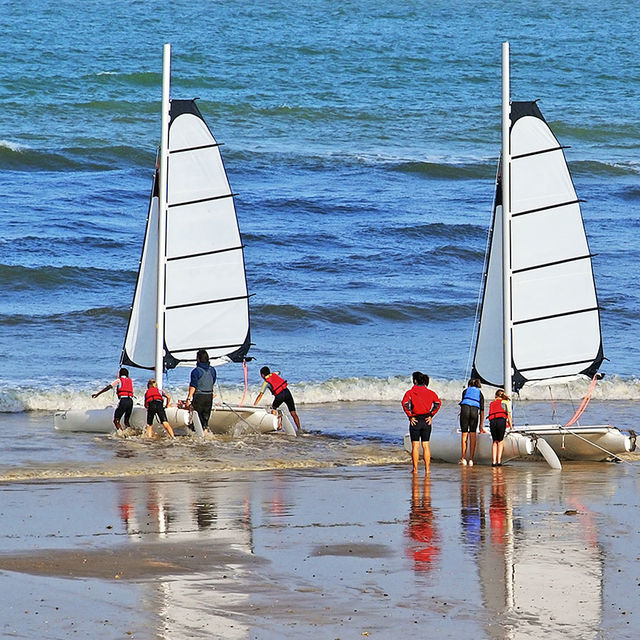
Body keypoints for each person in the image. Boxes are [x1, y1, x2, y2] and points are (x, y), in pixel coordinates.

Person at [402, 372, 441, 474]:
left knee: (415, 446)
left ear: (415, 381)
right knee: (426, 445)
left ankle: (415, 470)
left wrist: (410, 416)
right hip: (426, 421)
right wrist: (431, 415)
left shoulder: (410, 392)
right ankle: (427, 469)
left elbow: (405, 404)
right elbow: (437, 403)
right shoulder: (431, 393)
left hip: (415, 420)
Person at [254, 366, 301, 432]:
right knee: (293, 413)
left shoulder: (266, 383)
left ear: (262, 375)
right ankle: (299, 429)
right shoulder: (274, 374)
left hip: (280, 396)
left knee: (273, 408)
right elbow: (278, 372)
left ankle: (276, 426)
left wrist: (254, 405)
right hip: (287, 392)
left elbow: (260, 395)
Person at [185, 349, 216, 430]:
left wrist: (188, 399)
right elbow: (212, 382)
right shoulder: (212, 370)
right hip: (209, 396)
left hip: (199, 397)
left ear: (198, 359)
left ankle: (196, 435)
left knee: (196, 418)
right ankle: (205, 432)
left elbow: (193, 386)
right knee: (205, 419)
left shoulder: (196, 371)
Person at [458, 378, 485, 466]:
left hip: (465, 410)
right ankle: (471, 460)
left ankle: (463, 458)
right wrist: (481, 425)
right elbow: (482, 411)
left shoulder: (465, 391)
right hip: (474, 412)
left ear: (469, 385)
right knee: (472, 434)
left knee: (464, 434)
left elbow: (463, 402)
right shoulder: (480, 394)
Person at [488, 389, 512, 466]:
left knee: (495, 441)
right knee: (500, 441)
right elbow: (508, 416)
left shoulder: (492, 403)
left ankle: (494, 462)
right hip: (501, 421)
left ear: (495, 396)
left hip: (492, 422)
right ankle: (499, 461)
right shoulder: (505, 402)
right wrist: (511, 427)